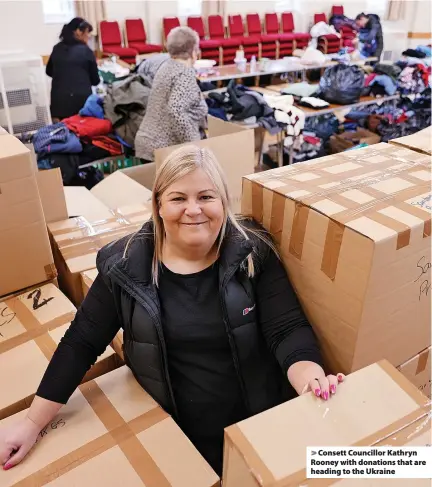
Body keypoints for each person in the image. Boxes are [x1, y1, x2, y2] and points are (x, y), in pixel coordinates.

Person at [0, 146, 345, 476]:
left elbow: (286, 330)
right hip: (178, 436)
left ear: (223, 202)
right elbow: (81, 343)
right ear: (158, 205)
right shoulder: (125, 267)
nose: (193, 210)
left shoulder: (253, 251)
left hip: (257, 424)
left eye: (206, 197)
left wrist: (309, 382)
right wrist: (32, 423)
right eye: (178, 198)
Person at [135, 27, 208, 161]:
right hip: (163, 148)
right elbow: (176, 111)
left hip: (149, 142)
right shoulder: (184, 74)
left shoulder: (165, 66)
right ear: (192, 50)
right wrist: (193, 147)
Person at [46, 17, 100, 120]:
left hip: (58, 105)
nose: (88, 37)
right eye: (87, 33)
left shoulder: (57, 48)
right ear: (78, 32)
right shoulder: (86, 51)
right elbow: (95, 80)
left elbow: (48, 71)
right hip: (81, 106)